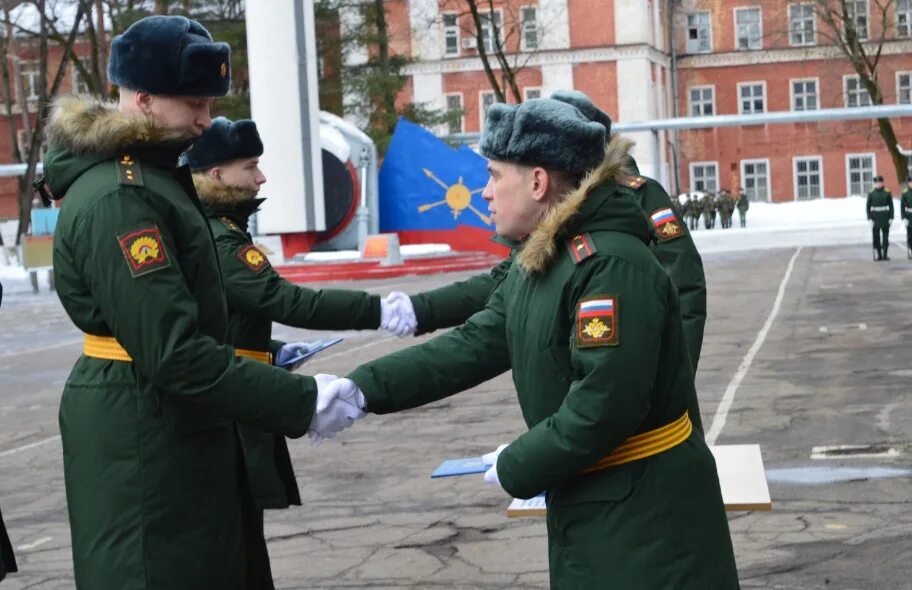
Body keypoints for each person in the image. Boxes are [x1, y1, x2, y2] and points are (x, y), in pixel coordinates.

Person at [320, 99, 739, 588]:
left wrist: (518, 463)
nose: (486, 192)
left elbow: (605, 404)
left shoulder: (609, 266)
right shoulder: (543, 263)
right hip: (599, 503)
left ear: (538, 183)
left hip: (648, 518)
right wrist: (364, 389)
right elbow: (473, 344)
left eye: (496, 176)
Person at [44, 16, 361, 589]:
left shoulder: (151, 180)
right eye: (193, 103)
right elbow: (173, 352)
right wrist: (299, 400)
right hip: (144, 429)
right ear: (142, 100)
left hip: (168, 419)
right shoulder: (123, 199)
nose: (204, 120)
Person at [182, 117, 412, 589]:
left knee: (241, 534)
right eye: (251, 167)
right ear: (218, 175)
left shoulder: (215, 229)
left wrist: (275, 349)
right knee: (235, 537)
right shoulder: (221, 239)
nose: (261, 178)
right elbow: (286, 301)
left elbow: (221, 323)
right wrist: (378, 311)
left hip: (237, 388)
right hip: (232, 407)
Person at [391, 90, 708, 374]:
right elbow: (504, 284)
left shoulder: (638, 195)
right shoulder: (555, 215)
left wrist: (679, 370)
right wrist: (419, 310)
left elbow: (684, 282)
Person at [866, 175, 894, 261]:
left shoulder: (887, 192)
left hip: (885, 216)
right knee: (876, 237)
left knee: (885, 237)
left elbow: (891, 206)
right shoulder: (871, 193)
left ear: (882, 183)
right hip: (875, 217)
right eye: (876, 183)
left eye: (880, 182)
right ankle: (879, 255)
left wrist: (891, 217)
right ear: (874, 183)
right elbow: (868, 207)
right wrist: (869, 218)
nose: (878, 184)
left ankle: (885, 254)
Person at [900, 177, 912, 258]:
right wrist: (903, 217)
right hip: (909, 216)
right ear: (908, 183)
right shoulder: (905, 193)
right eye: (910, 182)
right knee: (910, 235)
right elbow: (902, 207)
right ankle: (910, 249)